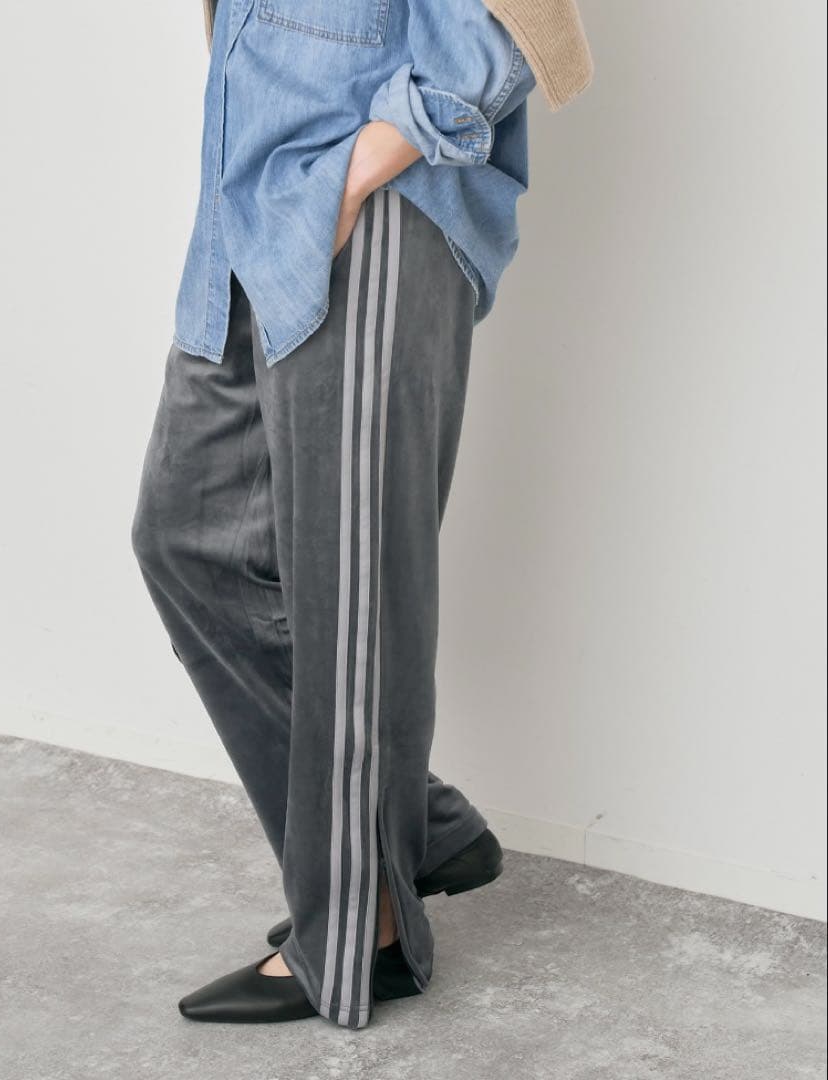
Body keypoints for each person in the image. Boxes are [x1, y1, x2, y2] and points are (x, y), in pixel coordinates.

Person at [130, 0, 593, 1030]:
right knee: (183, 534)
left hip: (373, 191)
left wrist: (360, 170)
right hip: (248, 184)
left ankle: (358, 933)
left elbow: (508, 20)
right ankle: (414, 829)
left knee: (349, 592)